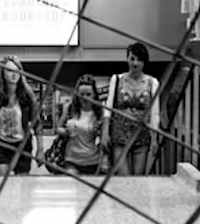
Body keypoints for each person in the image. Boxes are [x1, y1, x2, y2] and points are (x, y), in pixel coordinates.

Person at [103, 42, 161, 175]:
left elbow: (155, 113)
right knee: (124, 178)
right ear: (127, 59)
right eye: (132, 58)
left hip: (142, 136)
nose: (135, 63)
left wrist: (154, 139)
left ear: (144, 62)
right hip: (119, 136)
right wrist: (105, 133)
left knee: (138, 180)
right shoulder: (117, 80)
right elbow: (108, 108)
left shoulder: (152, 83)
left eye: (139, 60)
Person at [0, 56, 39, 176]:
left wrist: (41, 149)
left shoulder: (27, 95)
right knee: (4, 181)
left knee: (22, 182)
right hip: (0, 145)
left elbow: (37, 124)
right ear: (2, 73)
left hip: (22, 145)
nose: (14, 74)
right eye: (9, 70)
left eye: (17, 70)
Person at [59, 75, 105, 175]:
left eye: (88, 94)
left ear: (94, 95)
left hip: (93, 160)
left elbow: (103, 140)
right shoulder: (70, 108)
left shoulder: (99, 112)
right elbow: (58, 128)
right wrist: (66, 132)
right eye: (82, 94)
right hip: (71, 159)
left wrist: (103, 161)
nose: (85, 97)